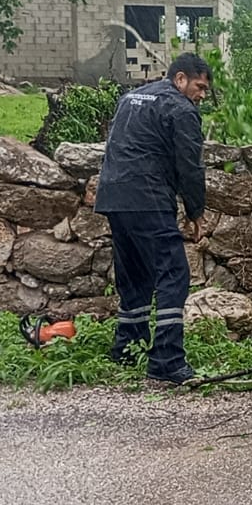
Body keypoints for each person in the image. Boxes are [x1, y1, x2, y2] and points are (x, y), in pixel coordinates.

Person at [94, 52, 211, 384]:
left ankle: (127, 346)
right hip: (148, 197)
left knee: (135, 275)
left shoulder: (130, 97)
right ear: (180, 79)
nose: (202, 95)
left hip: (114, 196)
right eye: (199, 87)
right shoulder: (181, 109)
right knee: (174, 273)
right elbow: (191, 166)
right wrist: (196, 211)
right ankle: (166, 360)